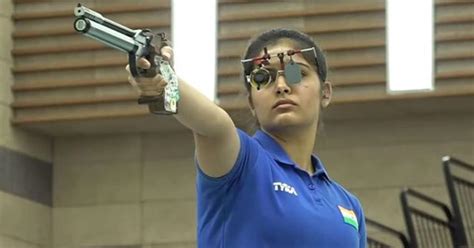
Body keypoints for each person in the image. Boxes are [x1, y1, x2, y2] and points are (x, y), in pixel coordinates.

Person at [127, 28, 367, 248]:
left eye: (297, 73)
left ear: (325, 93)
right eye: (264, 78)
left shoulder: (348, 204)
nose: (282, 86)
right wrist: (162, 80)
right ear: (252, 102)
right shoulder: (241, 162)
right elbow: (214, 126)